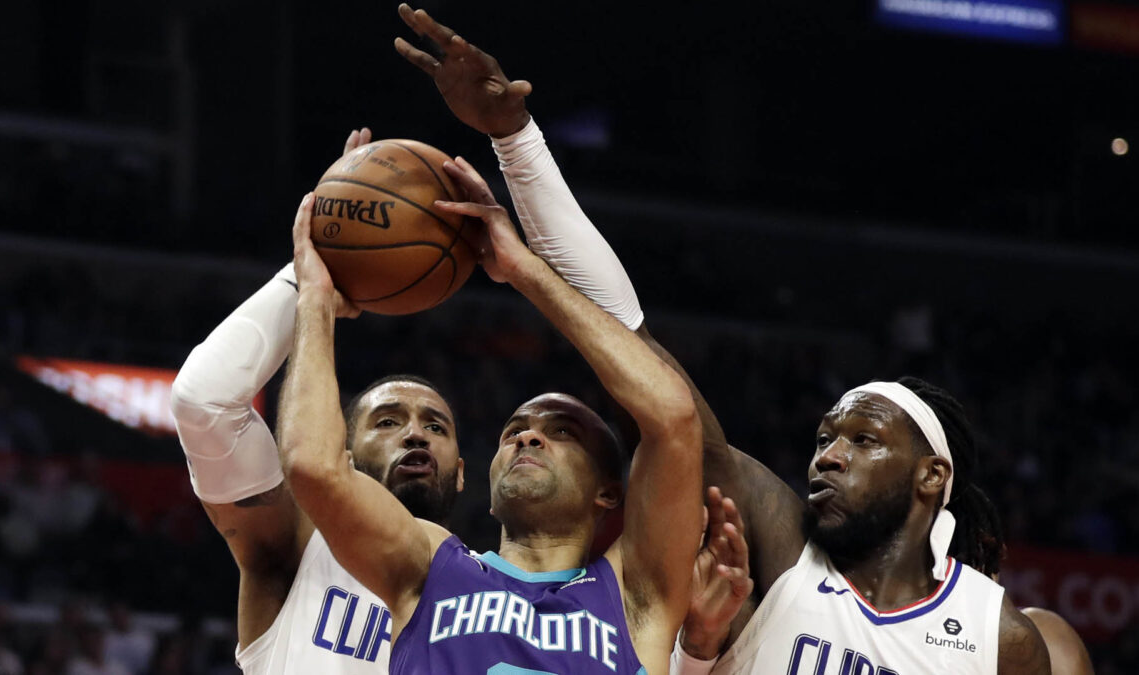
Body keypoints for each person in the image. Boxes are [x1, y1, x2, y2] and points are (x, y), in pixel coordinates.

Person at [392, 8, 1049, 673]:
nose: (828, 456)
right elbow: (631, 338)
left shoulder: (1003, 639)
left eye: (863, 441)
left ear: (931, 476)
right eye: (825, 438)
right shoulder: (788, 551)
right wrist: (516, 141)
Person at [276, 149, 702, 673]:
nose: (527, 438)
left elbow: (674, 418)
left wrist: (526, 270)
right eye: (513, 432)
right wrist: (315, 298)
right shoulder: (430, 565)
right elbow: (313, 466)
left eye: (562, 431)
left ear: (609, 491)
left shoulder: (638, 597)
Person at [170, 128, 465, 674]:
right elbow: (204, 403)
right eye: (388, 420)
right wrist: (312, 278)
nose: (416, 433)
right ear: (342, 452)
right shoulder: (294, 549)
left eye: (436, 426)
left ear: (464, 473)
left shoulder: (493, 597)